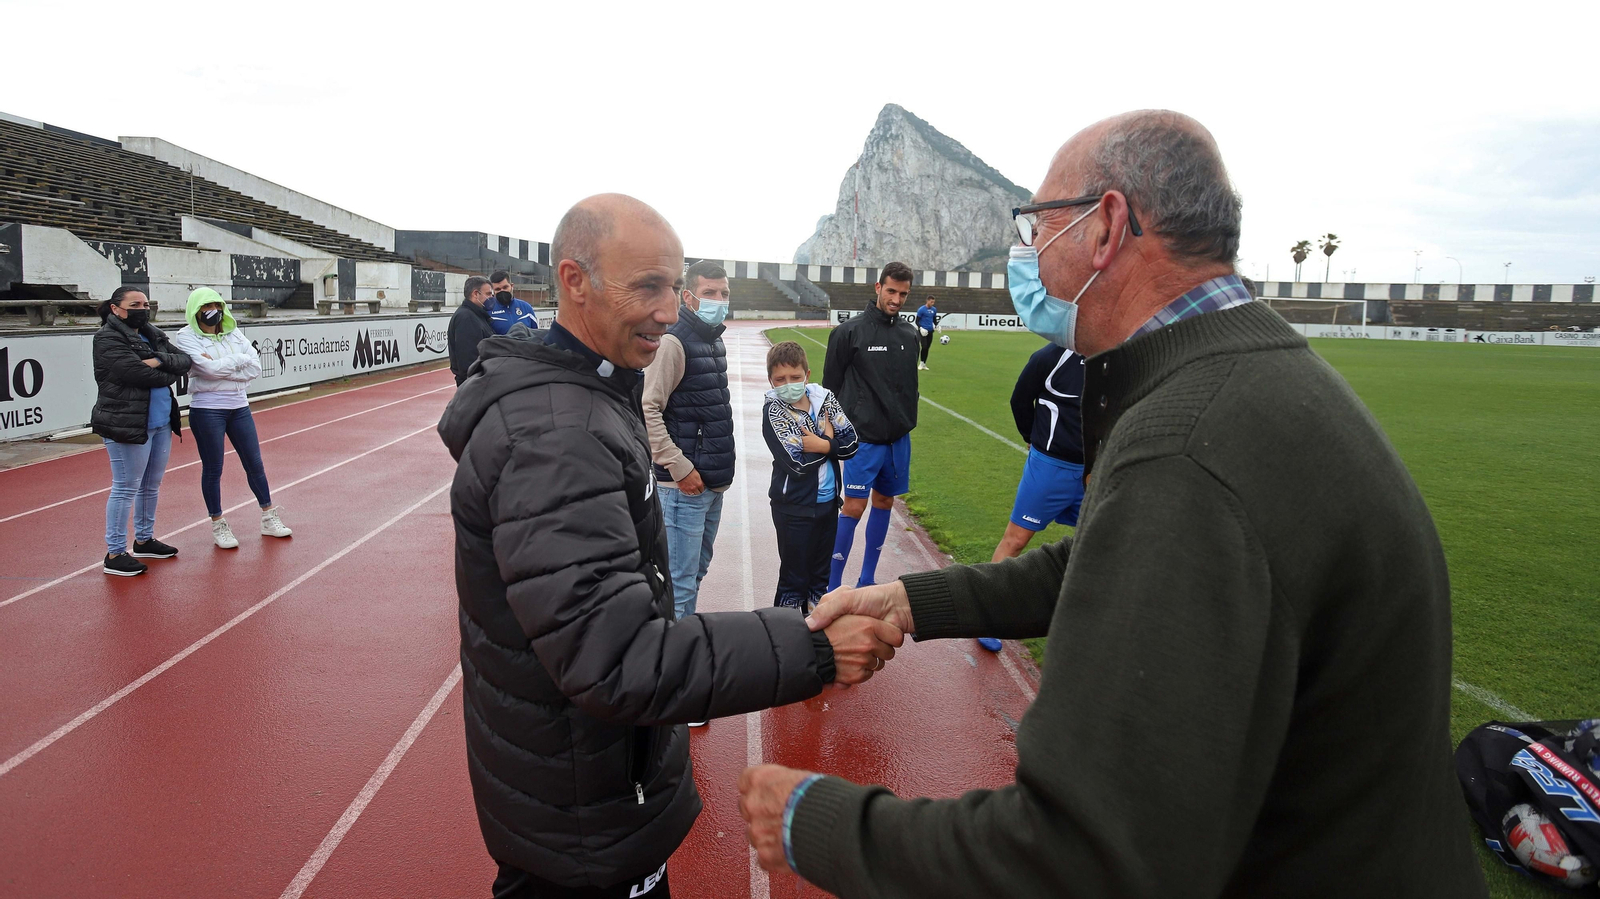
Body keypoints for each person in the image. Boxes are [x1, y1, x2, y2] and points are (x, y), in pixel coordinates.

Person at [739, 110, 1489, 898]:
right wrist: (911, 598)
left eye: (1037, 227)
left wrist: (810, 820)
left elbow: (1079, 856)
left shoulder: (1186, 442)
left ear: (1106, 227)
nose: (1027, 255)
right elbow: (1109, 559)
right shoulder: (1248, 379)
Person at [436, 193, 903, 899]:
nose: (668, 308)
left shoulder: (591, 391)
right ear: (574, 281)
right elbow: (614, 655)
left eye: (674, 286)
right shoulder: (557, 436)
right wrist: (813, 647)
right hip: (580, 823)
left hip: (584, 796)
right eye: (647, 286)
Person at [975, 342, 1086, 652]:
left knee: (1098, 541)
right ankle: (988, 617)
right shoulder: (1050, 358)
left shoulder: (1116, 356)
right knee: (1016, 539)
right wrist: (1032, 439)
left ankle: (1087, 621)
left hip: (1095, 469)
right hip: (1050, 467)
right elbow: (1020, 400)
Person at [641, 260, 734, 627]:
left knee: (694, 576)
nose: (719, 300)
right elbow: (647, 408)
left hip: (711, 484)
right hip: (683, 488)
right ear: (688, 297)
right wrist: (681, 468)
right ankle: (671, 675)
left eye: (724, 293)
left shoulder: (713, 340)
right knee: (678, 587)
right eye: (710, 293)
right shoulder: (673, 342)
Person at [822, 261, 919, 591]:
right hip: (862, 440)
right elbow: (830, 388)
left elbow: (909, 387)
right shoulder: (849, 332)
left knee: (885, 502)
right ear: (878, 288)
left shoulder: (909, 334)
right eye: (891, 291)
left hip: (898, 441)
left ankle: (867, 580)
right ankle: (831, 586)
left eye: (903, 294)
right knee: (853, 506)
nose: (896, 299)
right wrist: (832, 431)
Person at [170, 288, 292, 548]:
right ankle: (218, 523)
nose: (213, 310)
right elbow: (207, 370)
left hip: (240, 407)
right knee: (214, 469)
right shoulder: (185, 336)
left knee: (255, 463)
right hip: (207, 409)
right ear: (196, 310)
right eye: (207, 306)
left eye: (217, 304)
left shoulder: (233, 332)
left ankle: (268, 516)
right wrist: (239, 362)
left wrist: (225, 364)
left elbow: (255, 367)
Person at [91, 286, 191, 576]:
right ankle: (115, 553)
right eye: (135, 303)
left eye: (145, 303)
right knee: (125, 486)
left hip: (160, 422)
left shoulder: (152, 333)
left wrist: (159, 360)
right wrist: (166, 368)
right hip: (126, 423)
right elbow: (135, 373)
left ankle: (144, 539)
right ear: (115, 308)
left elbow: (184, 361)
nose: (142, 308)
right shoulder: (107, 338)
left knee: (151, 485)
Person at [761, 340, 858, 614]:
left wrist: (824, 444)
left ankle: (818, 635)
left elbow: (851, 444)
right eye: (780, 379)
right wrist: (828, 441)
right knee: (794, 578)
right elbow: (796, 464)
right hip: (792, 507)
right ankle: (786, 634)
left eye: (795, 377)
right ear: (771, 380)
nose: (788, 383)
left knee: (819, 577)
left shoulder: (825, 400)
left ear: (807, 375)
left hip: (828, 504)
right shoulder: (775, 411)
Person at [447, 276, 496, 385]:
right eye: (488, 294)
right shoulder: (466, 318)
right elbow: (468, 358)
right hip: (474, 383)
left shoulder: (477, 315)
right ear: (475, 294)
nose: (492, 297)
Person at [487, 270, 540, 335]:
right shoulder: (488, 311)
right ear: (493, 291)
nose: (502, 291)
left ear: (512, 286)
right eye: (498, 289)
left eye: (505, 287)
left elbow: (536, 335)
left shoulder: (526, 308)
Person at [913, 296, 938, 370]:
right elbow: (917, 321)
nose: (932, 303)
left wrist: (937, 326)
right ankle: (920, 364)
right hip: (923, 331)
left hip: (930, 331)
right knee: (924, 346)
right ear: (927, 301)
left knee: (927, 348)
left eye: (933, 302)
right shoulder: (921, 309)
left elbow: (934, 320)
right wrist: (921, 328)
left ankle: (923, 363)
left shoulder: (934, 309)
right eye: (931, 302)